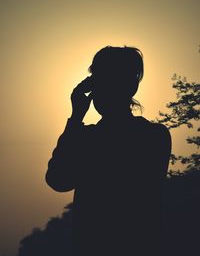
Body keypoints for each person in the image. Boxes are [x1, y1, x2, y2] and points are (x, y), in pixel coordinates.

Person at [45, 46, 172, 256]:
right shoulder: (155, 135)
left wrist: (76, 118)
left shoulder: (88, 139)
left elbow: (58, 180)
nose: (97, 91)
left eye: (101, 82)